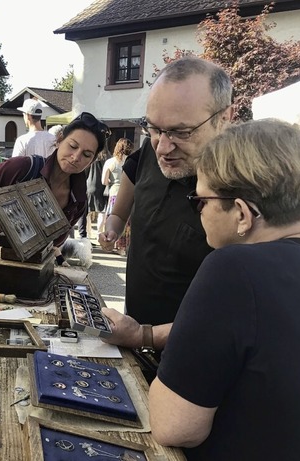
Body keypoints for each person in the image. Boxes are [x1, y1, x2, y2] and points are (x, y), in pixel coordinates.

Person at [148, 119, 300, 460]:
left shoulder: (235, 268)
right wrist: (145, 335)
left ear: (241, 212)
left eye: (200, 201)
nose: (200, 213)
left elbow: (174, 424)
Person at [99, 56, 232, 349]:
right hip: (134, 334)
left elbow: (233, 315)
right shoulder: (150, 150)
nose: (163, 146)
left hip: (190, 357)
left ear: (224, 118)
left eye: (181, 132)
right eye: (155, 129)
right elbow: (120, 213)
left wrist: (144, 335)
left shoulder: (240, 188)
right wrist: (113, 226)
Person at [0, 112, 108, 253]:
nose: (76, 157)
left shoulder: (78, 200)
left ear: (92, 160)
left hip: (36, 276)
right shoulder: (20, 168)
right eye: (73, 146)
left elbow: (54, 245)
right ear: (60, 140)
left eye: (87, 154)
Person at [101, 138, 132, 255]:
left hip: (114, 193)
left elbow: (104, 181)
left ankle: (110, 243)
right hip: (128, 195)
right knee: (127, 223)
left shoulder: (110, 162)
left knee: (113, 218)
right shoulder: (131, 161)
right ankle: (122, 248)